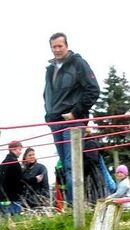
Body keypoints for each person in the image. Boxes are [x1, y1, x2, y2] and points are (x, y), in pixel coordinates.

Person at [43, 32, 100, 206]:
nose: (57, 49)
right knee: (64, 164)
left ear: (67, 46)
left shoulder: (78, 64)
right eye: (54, 47)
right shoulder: (50, 69)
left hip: (72, 120)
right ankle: (73, 206)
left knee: (71, 164)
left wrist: (75, 113)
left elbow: (93, 89)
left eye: (60, 46)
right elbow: (47, 94)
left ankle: (75, 206)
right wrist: (48, 114)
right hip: (55, 121)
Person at [0, 140, 24, 216]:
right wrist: (35, 179)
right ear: (13, 149)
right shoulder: (14, 163)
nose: (21, 152)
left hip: (3, 198)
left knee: (7, 221)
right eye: (19, 149)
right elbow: (21, 179)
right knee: (16, 221)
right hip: (13, 198)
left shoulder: (3, 163)